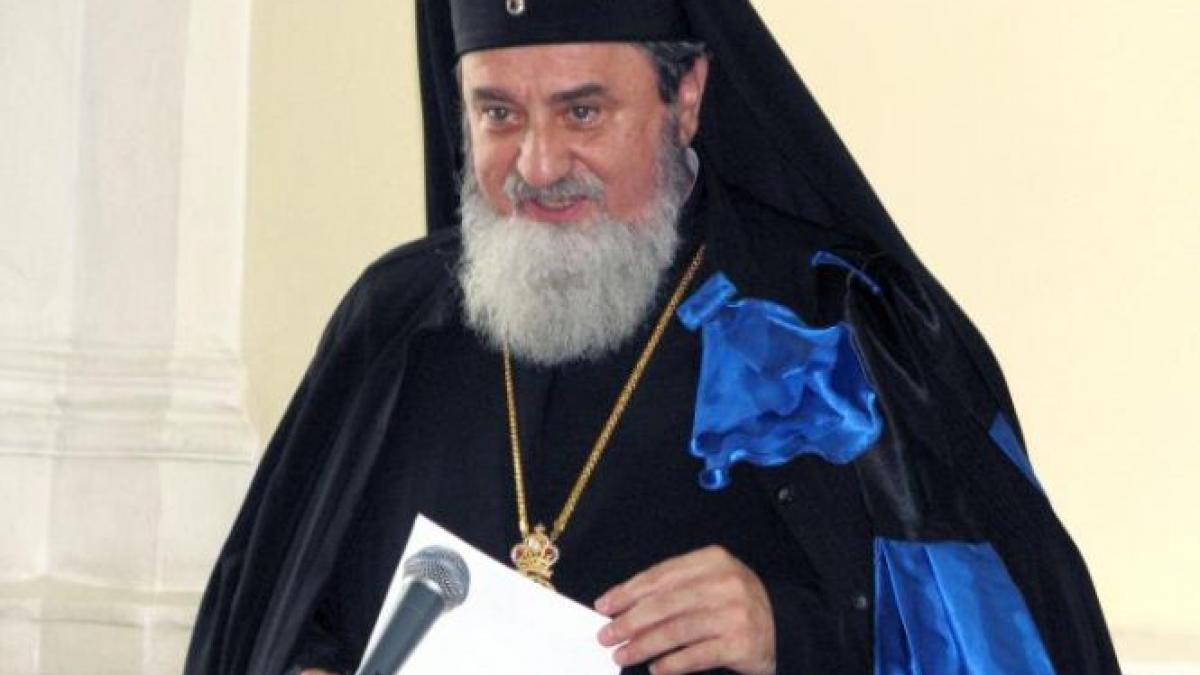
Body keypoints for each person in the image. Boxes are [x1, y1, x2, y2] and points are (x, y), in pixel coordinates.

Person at [185, 1, 1120, 673]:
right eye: (498, 114)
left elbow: (1021, 633)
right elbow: (276, 611)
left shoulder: (828, 328)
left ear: (688, 96)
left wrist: (796, 631)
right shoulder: (394, 325)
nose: (537, 165)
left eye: (582, 111)